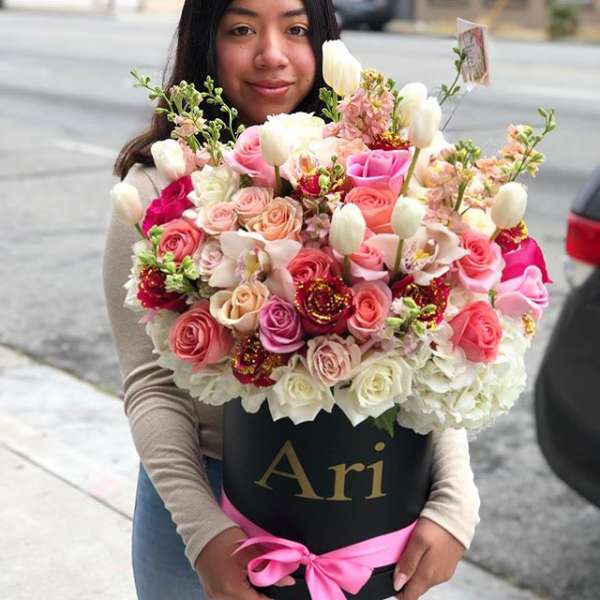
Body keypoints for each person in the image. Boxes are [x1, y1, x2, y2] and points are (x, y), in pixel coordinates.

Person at [103, 1, 481, 599]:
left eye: (296, 28)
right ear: (205, 41)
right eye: (242, 29)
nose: (272, 54)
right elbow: (151, 382)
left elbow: (431, 347)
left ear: (324, 42)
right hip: (201, 493)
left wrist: (455, 500)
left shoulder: (378, 172)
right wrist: (203, 533)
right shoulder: (156, 189)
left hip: (363, 495)